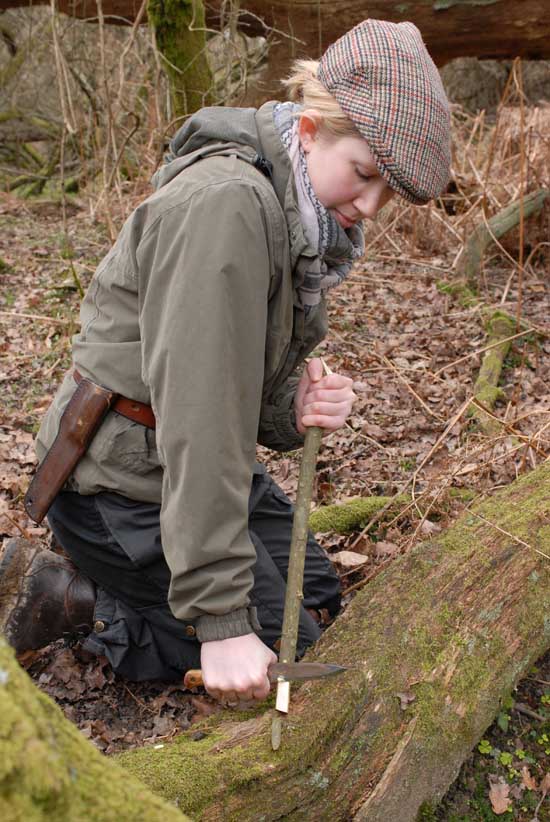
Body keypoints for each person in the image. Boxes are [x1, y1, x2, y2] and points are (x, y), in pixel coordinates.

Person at [0, 19, 450, 706]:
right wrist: (221, 619)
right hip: (116, 487)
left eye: (387, 192)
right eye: (363, 175)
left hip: (175, 465)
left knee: (321, 593)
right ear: (309, 129)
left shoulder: (286, 210)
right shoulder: (229, 208)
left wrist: (292, 406)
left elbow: (235, 385)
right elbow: (201, 415)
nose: (369, 206)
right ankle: (70, 598)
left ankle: (150, 598)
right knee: (284, 653)